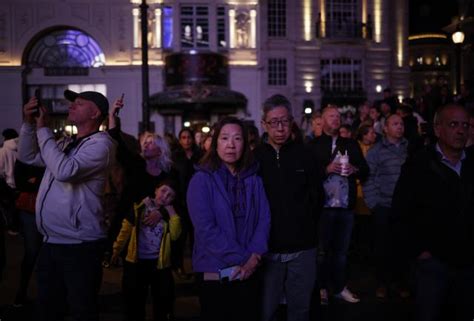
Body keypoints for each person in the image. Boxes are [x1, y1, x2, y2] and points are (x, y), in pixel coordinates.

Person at [18, 90, 117, 321]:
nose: (71, 106)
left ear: (95, 113)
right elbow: (28, 156)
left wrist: (43, 130)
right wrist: (29, 124)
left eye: (79, 104)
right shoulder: (65, 143)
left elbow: (65, 171)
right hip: (52, 241)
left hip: (79, 245)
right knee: (49, 309)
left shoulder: (102, 145)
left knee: (81, 310)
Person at [392, 104, 474, 321]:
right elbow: (401, 212)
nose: (460, 131)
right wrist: (420, 251)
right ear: (438, 129)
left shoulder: (471, 164)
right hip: (433, 263)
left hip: (468, 262)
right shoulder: (418, 165)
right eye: (453, 124)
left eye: (465, 125)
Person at [187, 116, 271, 321]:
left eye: (237, 139)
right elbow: (206, 229)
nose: (231, 145)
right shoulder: (201, 179)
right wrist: (244, 259)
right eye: (224, 138)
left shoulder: (254, 178)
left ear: (245, 144)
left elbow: (264, 219)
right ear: (215, 144)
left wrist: (255, 257)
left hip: (250, 270)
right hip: (214, 270)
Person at [255, 94, 323, 321]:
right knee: (266, 309)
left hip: (302, 247)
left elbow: (317, 197)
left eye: (284, 121)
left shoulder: (305, 155)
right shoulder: (255, 159)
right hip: (267, 249)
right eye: (274, 122)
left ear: (291, 121)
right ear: (264, 124)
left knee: (300, 310)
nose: (280, 128)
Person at [310, 105, 369, 304]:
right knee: (321, 252)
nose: (336, 119)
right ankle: (321, 289)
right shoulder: (314, 145)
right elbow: (307, 176)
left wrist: (355, 168)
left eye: (338, 116)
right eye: (331, 116)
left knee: (342, 252)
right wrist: (325, 169)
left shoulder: (350, 144)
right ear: (322, 120)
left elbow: (365, 170)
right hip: (323, 207)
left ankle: (339, 287)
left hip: (345, 206)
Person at [111, 180, 181, 321]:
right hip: (136, 262)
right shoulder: (138, 209)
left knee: (162, 300)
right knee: (134, 301)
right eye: (163, 191)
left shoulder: (168, 214)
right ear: (155, 190)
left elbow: (175, 234)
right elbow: (124, 231)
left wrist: (172, 213)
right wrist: (115, 251)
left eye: (170, 195)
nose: (165, 196)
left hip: (159, 264)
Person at [362, 114, 408, 299]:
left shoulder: (409, 148)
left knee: (402, 246)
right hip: (383, 205)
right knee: (382, 247)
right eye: (395, 124)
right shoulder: (376, 151)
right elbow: (368, 177)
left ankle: (399, 282)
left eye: (401, 123)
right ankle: (382, 283)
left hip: (404, 207)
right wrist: (374, 203)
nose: (399, 127)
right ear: (386, 129)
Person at [12, 160, 44, 307]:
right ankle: (22, 292)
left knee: (44, 255)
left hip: (47, 210)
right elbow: (20, 183)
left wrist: (36, 181)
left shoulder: (51, 152)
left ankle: (43, 295)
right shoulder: (24, 157)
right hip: (30, 210)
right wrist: (40, 181)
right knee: (32, 253)